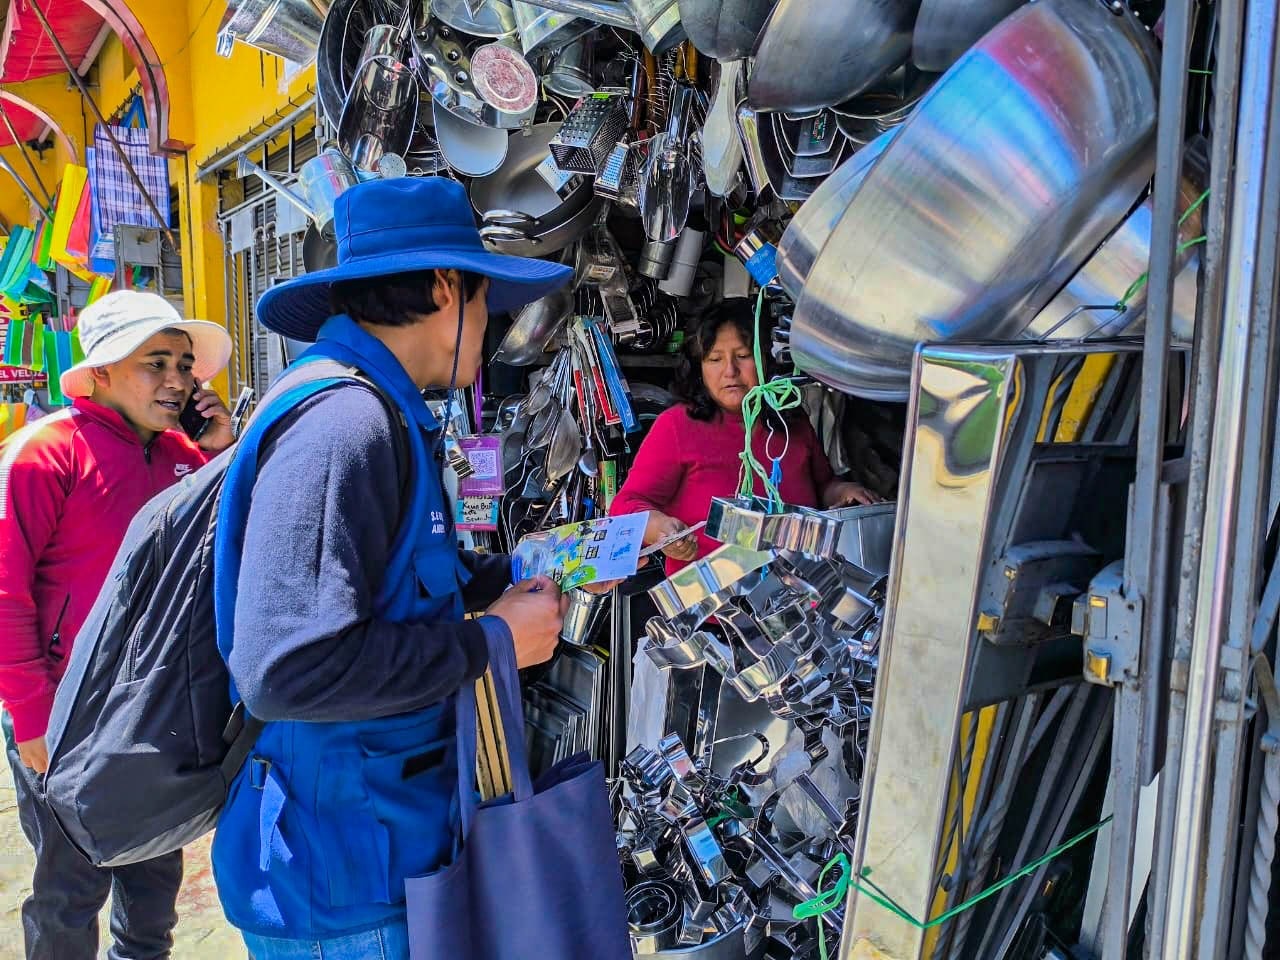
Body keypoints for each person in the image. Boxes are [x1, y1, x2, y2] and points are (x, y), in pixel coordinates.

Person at [211, 176, 579, 960]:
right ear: (448, 288)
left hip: (376, 857)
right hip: (341, 887)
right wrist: (490, 643)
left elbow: (397, 581)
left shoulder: (379, 410)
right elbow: (288, 669)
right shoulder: (345, 425)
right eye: (488, 303)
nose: (492, 329)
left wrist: (549, 564)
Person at [0, 290, 234, 959]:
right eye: (153, 362)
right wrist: (33, 716)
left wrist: (219, 452)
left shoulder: (187, 459)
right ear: (100, 371)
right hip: (64, 714)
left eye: (184, 366)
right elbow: (5, 592)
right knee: (66, 896)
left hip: (154, 710)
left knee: (152, 888)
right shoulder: (43, 455)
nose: (176, 381)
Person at [611, 300, 878, 574]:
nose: (730, 371)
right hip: (713, 610)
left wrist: (844, 492)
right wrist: (659, 529)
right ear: (699, 368)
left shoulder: (790, 422)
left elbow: (822, 487)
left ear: (766, 359)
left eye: (743, 355)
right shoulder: (677, 426)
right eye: (715, 359)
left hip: (796, 596)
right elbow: (625, 505)